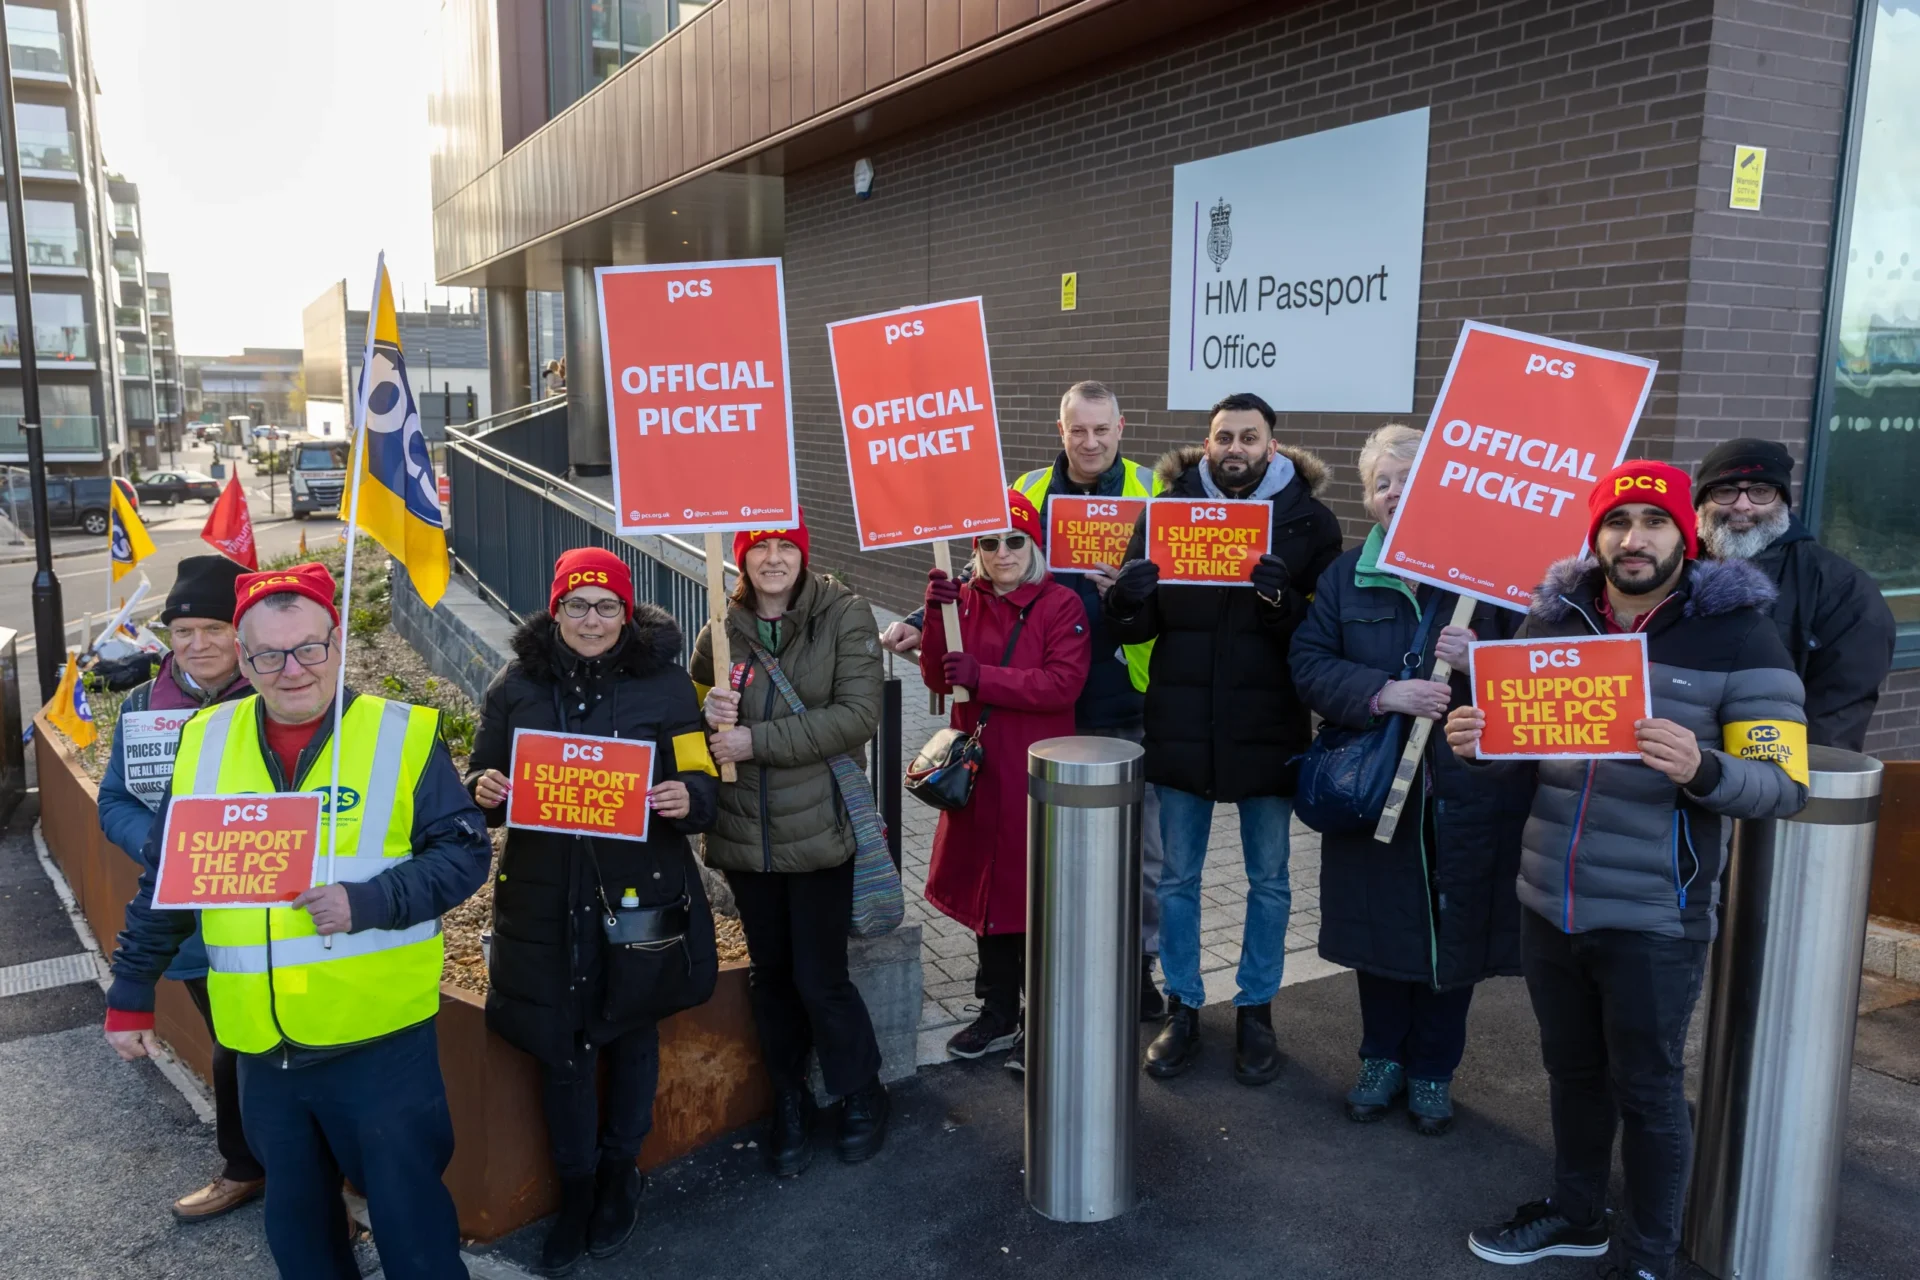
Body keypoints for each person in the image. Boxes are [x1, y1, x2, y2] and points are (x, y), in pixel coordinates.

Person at [1446, 461, 1809, 1280]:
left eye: (1653, 521)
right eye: (1617, 521)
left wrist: (1703, 768)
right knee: (1571, 1072)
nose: (1633, 538)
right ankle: (1577, 1214)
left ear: (1686, 533)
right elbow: (1514, 762)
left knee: (1647, 1090)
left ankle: (1650, 1257)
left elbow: (1784, 786)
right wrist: (1475, 749)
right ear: (1596, 534)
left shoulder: (1742, 633)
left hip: (1655, 911)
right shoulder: (1556, 620)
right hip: (1550, 897)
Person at [104, 563, 491, 1280]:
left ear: (337, 645)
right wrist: (131, 990)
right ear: (244, 660)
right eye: (271, 655)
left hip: (377, 1041)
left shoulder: (400, 735)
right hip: (264, 1048)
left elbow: (465, 856)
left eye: (309, 648)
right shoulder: (204, 741)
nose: (293, 670)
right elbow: (167, 880)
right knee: (301, 1235)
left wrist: (368, 901)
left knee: (414, 1235)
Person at [880, 380, 1170, 1016]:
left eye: (1101, 429)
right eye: (1077, 429)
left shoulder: (1154, 494)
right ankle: (1018, 999)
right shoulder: (1029, 491)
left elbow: (1185, 584)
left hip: (1125, 695)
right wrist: (922, 616)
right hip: (1028, 724)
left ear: (1122, 428)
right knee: (1035, 859)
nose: (1089, 441)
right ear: (1060, 430)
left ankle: (1137, 970)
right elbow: (975, 575)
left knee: (1139, 854)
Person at [467, 547, 719, 1275]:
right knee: (561, 1042)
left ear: (627, 612)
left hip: (637, 885)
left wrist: (687, 799)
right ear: (555, 610)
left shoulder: (668, 687)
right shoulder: (517, 687)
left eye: (606, 605)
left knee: (632, 1029)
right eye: (576, 605)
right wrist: (485, 787)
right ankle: (576, 1186)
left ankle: (619, 1174)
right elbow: (482, 771)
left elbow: (699, 773)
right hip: (544, 892)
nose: (591, 620)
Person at [1290, 425, 1529, 1136]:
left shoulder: (1489, 578)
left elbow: (1541, 665)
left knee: (1453, 936)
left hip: (1465, 790)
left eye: (1407, 478)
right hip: (1375, 787)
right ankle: (1379, 1059)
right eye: (1381, 483)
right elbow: (1309, 662)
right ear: (1369, 499)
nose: (1394, 493)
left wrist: (1484, 654)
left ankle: (1433, 1070)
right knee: (1380, 930)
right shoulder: (1344, 575)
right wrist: (1386, 693)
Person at [1104, 392, 1342, 1086]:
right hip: (1182, 726)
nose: (1234, 448)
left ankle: (1257, 1009)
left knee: (1269, 881)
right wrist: (1124, 599)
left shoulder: (1308, 523)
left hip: (1268, 728)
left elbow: (1320, 641)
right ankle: (1183, 1007)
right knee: (1178, 878)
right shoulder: (1164, 513)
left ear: (1272, 445)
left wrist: (1282, 603)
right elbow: (1136, 626)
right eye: (1222, 437)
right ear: (1205, 445)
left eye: (1248, 437)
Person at [691, 512, 891, 1178]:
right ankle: (790, 1098)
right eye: (759, 547)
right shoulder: (720, 631)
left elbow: (858, 716)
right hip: (747, 836)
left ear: (803, 553)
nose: (773, 558)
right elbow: (690, 720)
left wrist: (755, 741)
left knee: (820, 978)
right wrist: (706, 715)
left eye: (785, 546)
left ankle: (861, 1091)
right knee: (771, 980)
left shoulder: (845, 615)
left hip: (820, 830)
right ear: (742, 558)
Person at [97, 555, 264, 1219]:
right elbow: (114, 801)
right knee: (230, 1047)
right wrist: (155, 842)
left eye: (213, 628)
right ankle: (244, 1167)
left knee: (288, 1055)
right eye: (182, 631)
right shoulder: (143, 706)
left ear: (241, 630)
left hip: (269, 912)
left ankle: (321, 1183)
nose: (196, 645)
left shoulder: (278, 693)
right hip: (185, 917)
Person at [920, 488, 1091, 1071]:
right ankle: (998, 1011)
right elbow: (938, 677)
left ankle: (1041, 1019)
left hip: (1034, 773)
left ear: (1032, 544)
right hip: (977, 774)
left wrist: (984, 677)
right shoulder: (962, 599)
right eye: (989, 543)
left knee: (1035, 898)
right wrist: (936, 616)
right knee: (988, 895)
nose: (1002, 552)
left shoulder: (1061, 604)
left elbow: (1061, 684)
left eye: (1014, 540)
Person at [1691, 438, 1894, 751]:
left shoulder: (1844, 592)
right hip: (1662, 775)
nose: (1742, 505)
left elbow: (1831, 729)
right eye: (1725, 490)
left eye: (1760, 491)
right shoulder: (1671, 571)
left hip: (1769, 778)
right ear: (1702, 502)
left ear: (1783, 502)